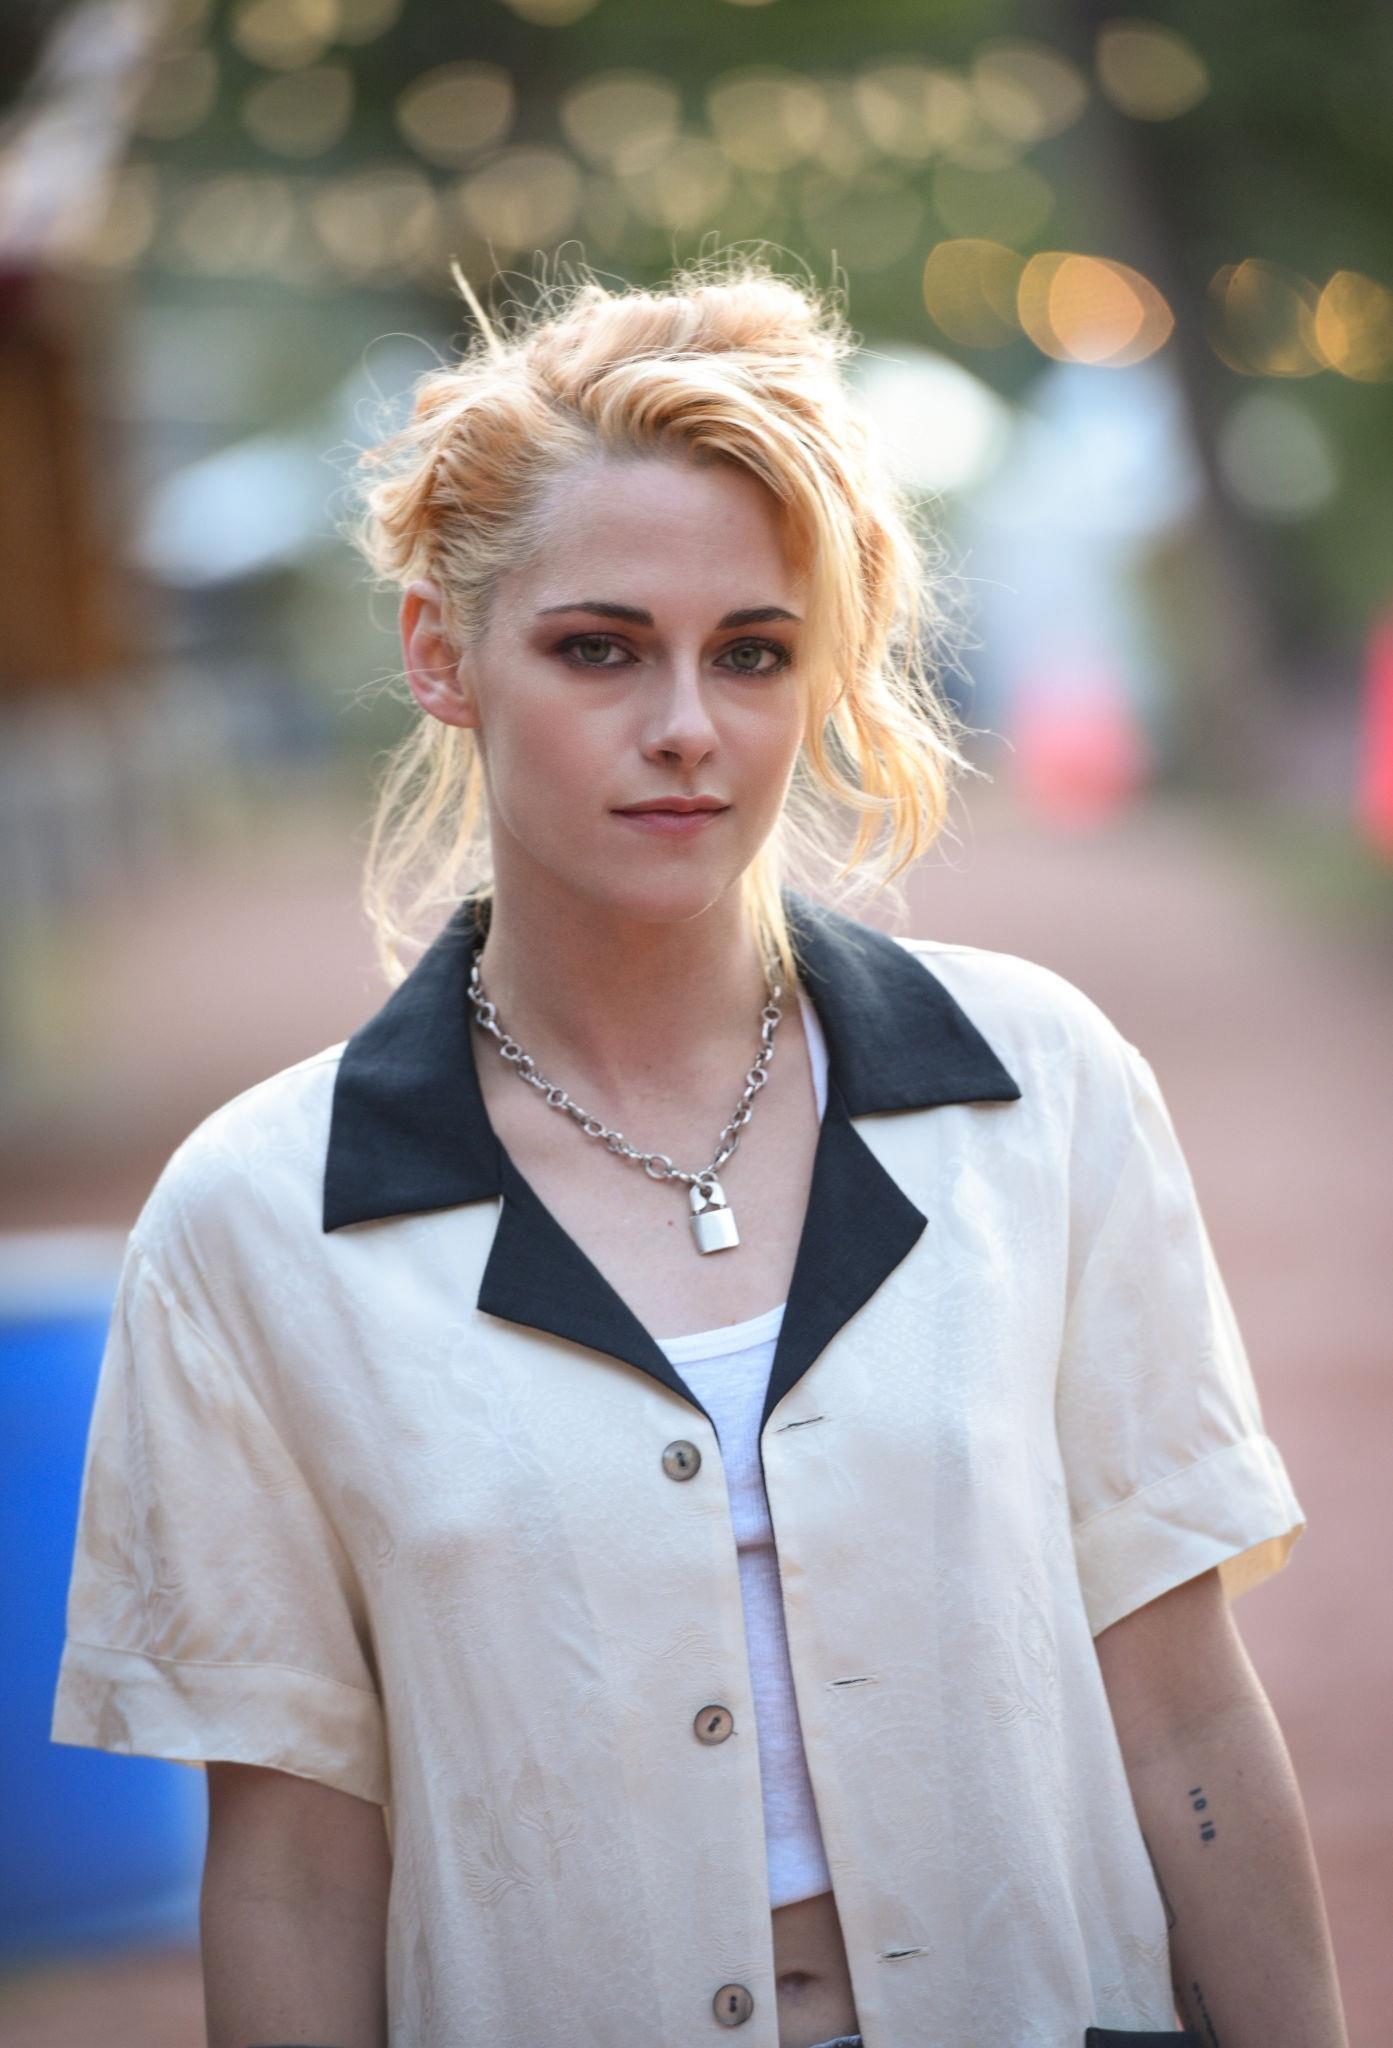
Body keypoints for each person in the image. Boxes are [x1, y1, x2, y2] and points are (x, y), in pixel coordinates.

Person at [51, 254, 1348, 2048]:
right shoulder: (255, 1223)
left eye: (751, 653)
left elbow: (1183, 1711)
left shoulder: (1034, 1091)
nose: (683, 727)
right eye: (598, 648)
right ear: (439, 652)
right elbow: (291, 1869)